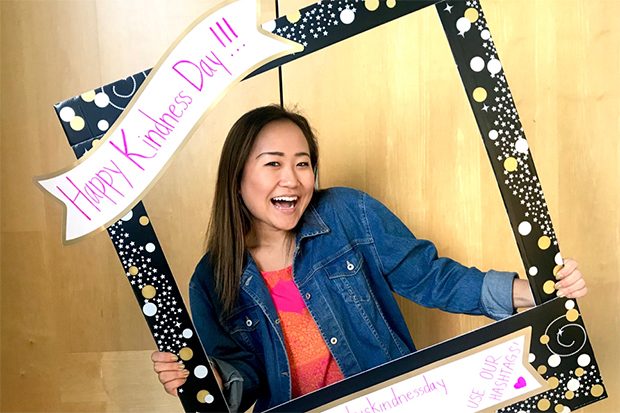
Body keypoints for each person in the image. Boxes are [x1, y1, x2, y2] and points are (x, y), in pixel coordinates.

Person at [152, 105, 587, 412]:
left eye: (303, 163)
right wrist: (199, 379)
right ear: (238, 175)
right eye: (273, 164)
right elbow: (241, 379)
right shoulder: (211, 280)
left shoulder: (346, 213)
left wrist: (534, 293)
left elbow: (430, 278)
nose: (292, 179)